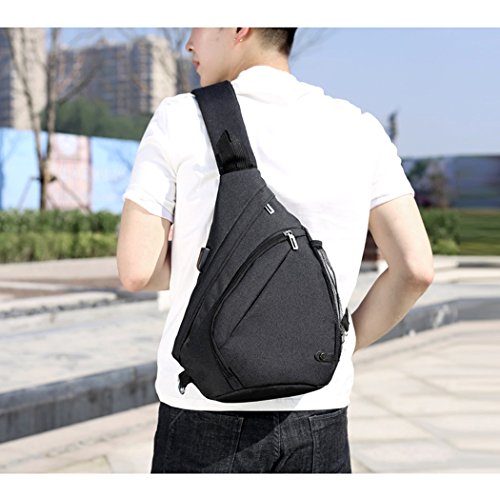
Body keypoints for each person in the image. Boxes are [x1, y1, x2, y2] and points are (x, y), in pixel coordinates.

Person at [116, 28, 434, 473]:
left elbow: (137, 270)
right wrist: (340, 343)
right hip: (319, 408)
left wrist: (203, 262)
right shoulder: (360, 128)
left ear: (239, 26)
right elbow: (415, 269)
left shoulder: (181, 117)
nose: (189, 43)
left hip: (205, 406)